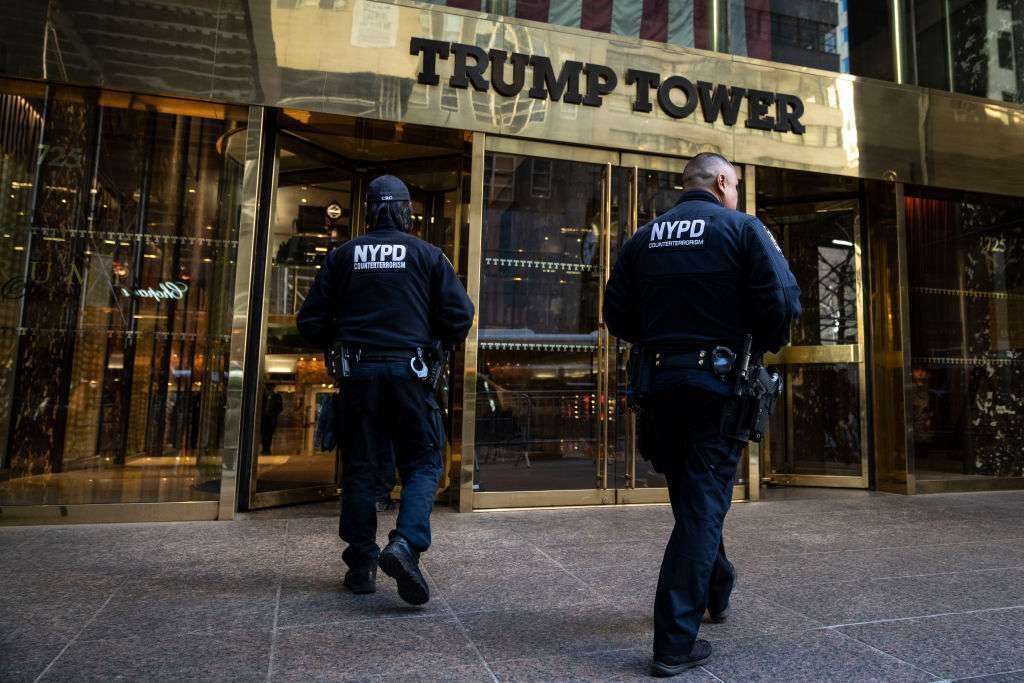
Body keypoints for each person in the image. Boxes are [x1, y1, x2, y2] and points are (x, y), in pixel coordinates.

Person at [604, 153, 801, 676]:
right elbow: (782, 302)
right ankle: (674, 641)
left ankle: (717, 586)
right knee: (702, 506)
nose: (734, 193)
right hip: (719, 387)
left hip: (661, 386)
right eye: (734, 185)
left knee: (694, 497)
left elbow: (615, 314)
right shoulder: (742, 229)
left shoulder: (643, 238)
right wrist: (757, 349)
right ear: (721, 182)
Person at [297, 175, 474, 605]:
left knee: (359, 469)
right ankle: (406, 545)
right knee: (422, 463)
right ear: (406, 212)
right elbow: (459, 315)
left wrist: (343, 332)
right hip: (409, 376)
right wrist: (428, 333)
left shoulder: (342, 257)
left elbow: (310, 323)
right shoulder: (429, 255)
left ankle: (361, 566)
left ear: (370, 211)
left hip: (357, 378)